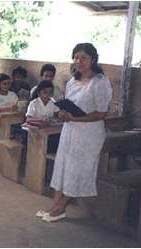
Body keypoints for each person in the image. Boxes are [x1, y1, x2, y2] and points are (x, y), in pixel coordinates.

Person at [36, 43, 112, 222]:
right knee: (63, 167)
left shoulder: (100, 82)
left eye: (84, 57)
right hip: (70, 130)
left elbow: (102, 113)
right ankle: (56, 207)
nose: (79, 61)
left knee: (77, 170)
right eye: (76, 57)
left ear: (93, 59)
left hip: (89, 133)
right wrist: (63, 114)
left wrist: (75, 118)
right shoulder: (72, 81)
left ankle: (60, 207)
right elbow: (68, 105)